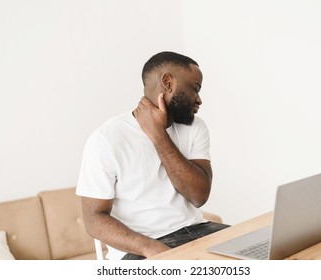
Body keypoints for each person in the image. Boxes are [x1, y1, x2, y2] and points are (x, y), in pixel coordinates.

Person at [76, 51, 229, 260]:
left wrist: (158, 135)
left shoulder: (195, 127)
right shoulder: (106, 139)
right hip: (139, 248)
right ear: (168, 82)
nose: (199, 99)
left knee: (261, 254)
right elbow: (94, 219)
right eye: (195, 89)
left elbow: (198, 196)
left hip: (197, 230)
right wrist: (150, 248)